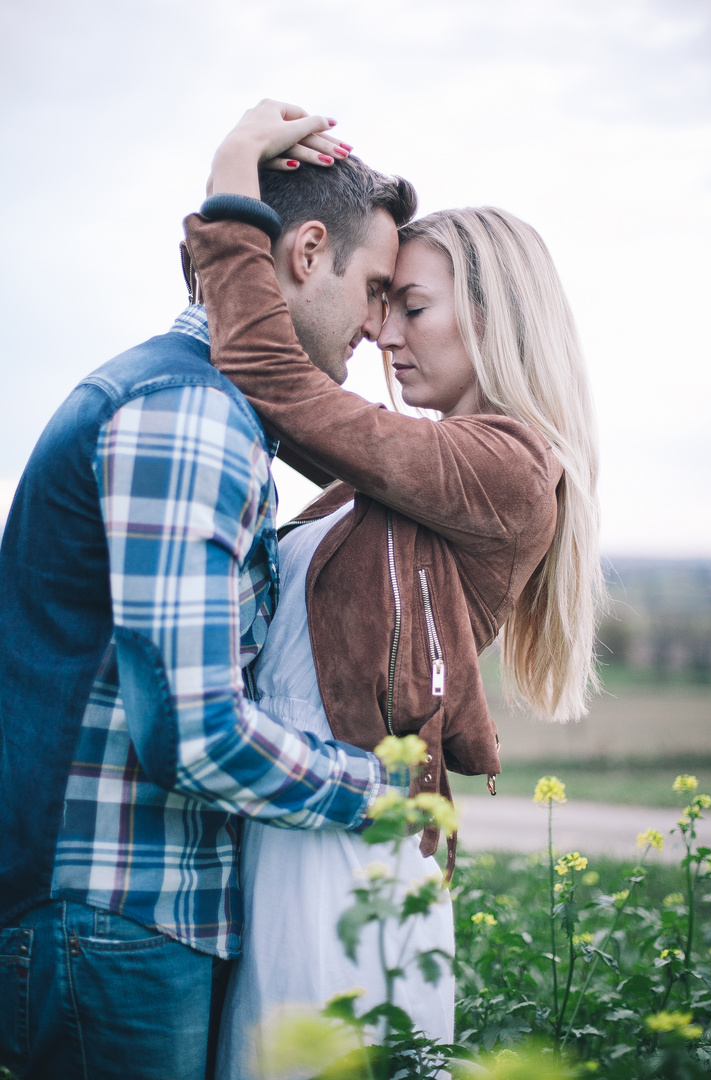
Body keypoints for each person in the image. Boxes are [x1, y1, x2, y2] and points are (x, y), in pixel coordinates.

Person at [182, 101, 604, 1078]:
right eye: (381, 304)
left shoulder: (508, 466)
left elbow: (267, 374)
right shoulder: (402, 475)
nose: (381, 333)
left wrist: (233, 180)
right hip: (300, 827)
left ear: (496, 317)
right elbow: (274, 397)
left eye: (408, 305)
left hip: (351, 858)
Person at [0, 110, 416, 1080]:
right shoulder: (188, 412)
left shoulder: (190, 398)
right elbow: (195, 734)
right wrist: (388, 795)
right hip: (114, 921)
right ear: (309, 252)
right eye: (375, 289)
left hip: (118, 918)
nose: (378, 327)